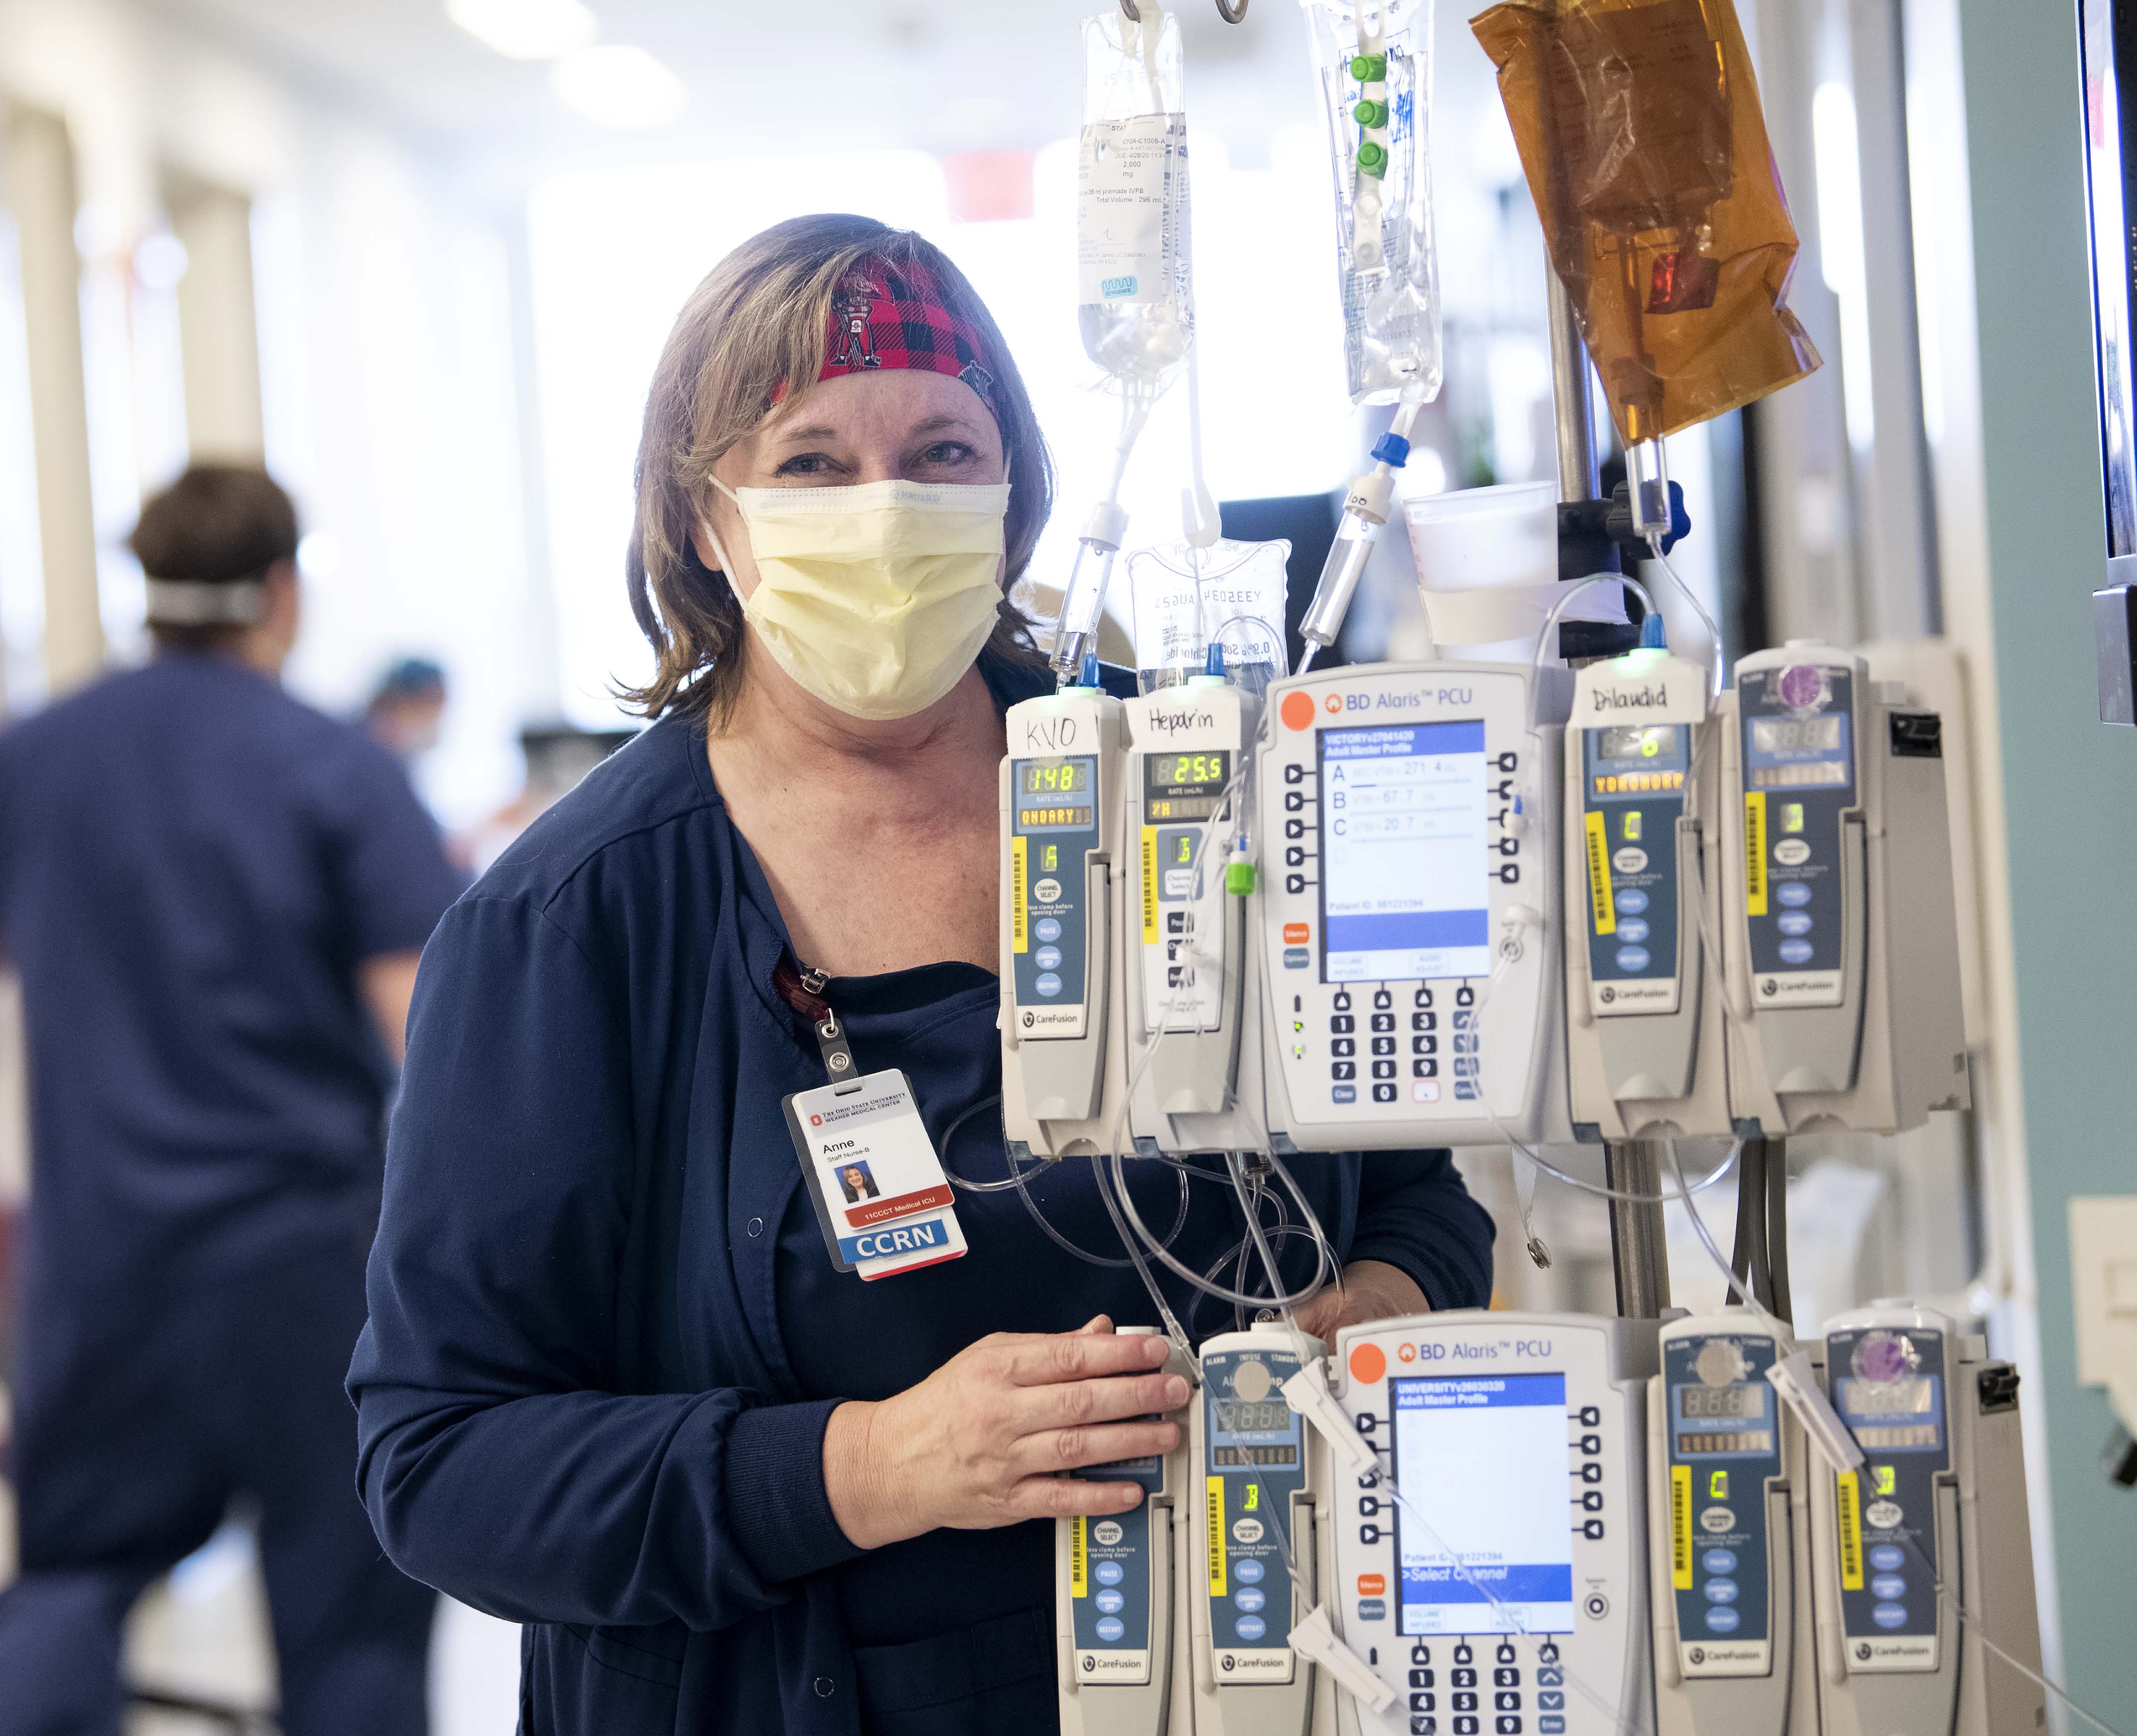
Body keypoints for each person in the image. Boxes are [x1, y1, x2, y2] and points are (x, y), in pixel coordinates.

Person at [348, 216, 1495, 1735]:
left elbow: (1418, 1176)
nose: (884, 509)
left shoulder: (1203, 785)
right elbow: (441, 1463)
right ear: (706, 518)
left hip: (1256, 1665)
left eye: (944, 450)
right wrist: (873, 1466)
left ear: (1016, 497)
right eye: (812, 462)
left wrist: (1381, 1297)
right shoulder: (570, 922)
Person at [0, 464, 464, 1734]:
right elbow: (430, 1034)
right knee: (353, 1629)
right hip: (306, 1274)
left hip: (100, 1265)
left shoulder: (29, 758)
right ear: (281, 590)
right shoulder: (339, 767)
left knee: (65, 1579)